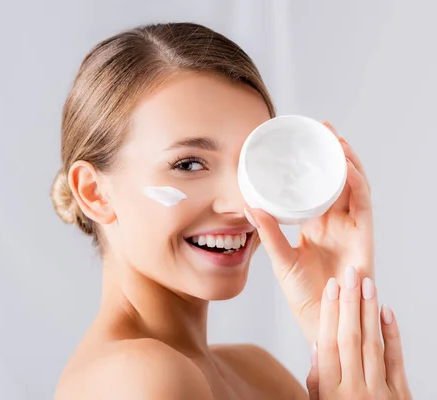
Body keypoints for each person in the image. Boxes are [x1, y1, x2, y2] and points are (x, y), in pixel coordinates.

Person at [50, 22, 412, 399]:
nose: (242, 205)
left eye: (250, 166)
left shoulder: (257, 372)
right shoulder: (135, 380)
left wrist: (339, 320)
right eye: (189, 164)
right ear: (95, 193)